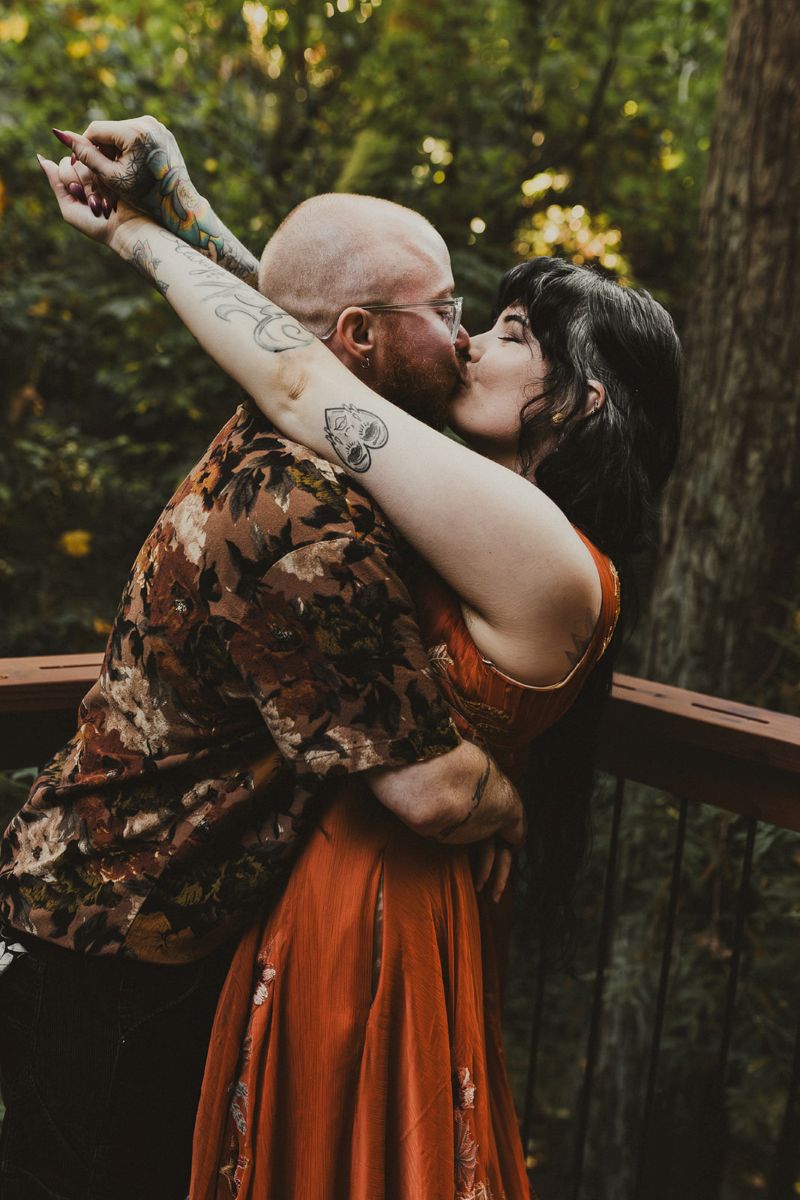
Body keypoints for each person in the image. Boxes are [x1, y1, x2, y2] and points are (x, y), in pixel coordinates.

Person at [37, 117, 681, 1199]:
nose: (467, 342)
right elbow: (317, 342)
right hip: (303, 887)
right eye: (462, 319)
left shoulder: (545, 555)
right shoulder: (471, 504)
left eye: (508, 332)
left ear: (577, 402)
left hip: (377, 906)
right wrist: (182, 211)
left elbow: (306, 381)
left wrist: (140, 240)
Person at [0, 156, 525, 1200]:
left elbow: (288, 323)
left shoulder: (300, 421)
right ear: (363, 341)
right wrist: (509, 802)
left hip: (114, 918)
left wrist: (179, 208)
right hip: (112, 943)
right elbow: (427, 787)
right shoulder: (304, 528)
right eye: (448, 307)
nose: (464, 335)